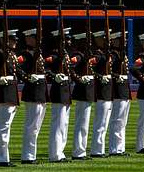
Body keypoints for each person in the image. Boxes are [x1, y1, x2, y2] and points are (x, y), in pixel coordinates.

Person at [18, 28, 48, 164]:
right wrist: (27, 77)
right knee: (32, 125)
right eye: (35, 37)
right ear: (28, 39)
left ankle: (31, 154)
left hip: (41, 91)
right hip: (33, 91)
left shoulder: (38, 53)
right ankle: (28, 156)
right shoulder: (26, 54)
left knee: (37, 126)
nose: (38, 40)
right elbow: (15, 67)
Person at [0, 29, 21, 167]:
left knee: (6, 126)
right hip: (5, 91)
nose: (15, 42)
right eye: (12, 40)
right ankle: (2, 158)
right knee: (3, 126)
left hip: (11, 91)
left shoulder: (11, 54)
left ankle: (3, 156)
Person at [46, 28, 73, 162]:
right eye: (67, 39)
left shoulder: (65, 54)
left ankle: (60, 152)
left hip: (65, 91)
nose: (69, 41)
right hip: (58, 91)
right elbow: (45, 69)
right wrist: (54, 76)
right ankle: (55, 154)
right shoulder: (55, 55)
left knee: (64, 124)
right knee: (58, 123)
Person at [69, 32, 95, 160]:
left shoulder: (85, 55)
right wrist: (79, 79)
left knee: (84, 124)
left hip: (87, 92)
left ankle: (81, 150)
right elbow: (69, 67)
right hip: (82, 92)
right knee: (82, 123)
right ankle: (78, 151)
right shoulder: (78, 56)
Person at [89, 30, 112, 158]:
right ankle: (97, 150)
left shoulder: (105, 53)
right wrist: (99, 77)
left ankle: (100, 149)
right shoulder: (97, 55)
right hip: (101, 91)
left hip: (107, 91)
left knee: (104, 122)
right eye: (103, 38)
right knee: (100, 122)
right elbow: (88, 67)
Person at [108, 31, 131, 156]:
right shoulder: (114, 55)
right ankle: (115, 149)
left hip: (123, 91)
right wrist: (117, 76)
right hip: (118, 90)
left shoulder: (121, 54)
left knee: (122, 122)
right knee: (117, 121)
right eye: (122, 39)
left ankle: (120, 148)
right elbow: (107, 70)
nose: (125, 41)